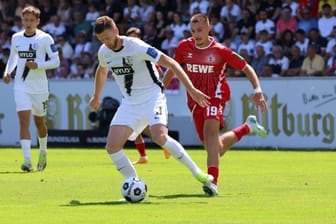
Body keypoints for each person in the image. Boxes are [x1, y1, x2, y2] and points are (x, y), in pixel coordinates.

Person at [89, 16, 213, 192]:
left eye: (108, 38)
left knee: (159, 136)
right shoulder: (104, 52)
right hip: (130, 103)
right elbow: (101, 71)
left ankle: (198, 172)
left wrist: (191, 90)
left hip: (152, 97)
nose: (107, 43)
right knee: (112, 146)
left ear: (116, 31)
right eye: (102, 40)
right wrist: (96, 96)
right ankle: (133, 181)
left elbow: (171, 63)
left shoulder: (137, 46)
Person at [163, 13, 268, 197]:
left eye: (200, 30)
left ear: (209, 28)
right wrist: (159, 89)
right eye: (193, 31)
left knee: (211, 135)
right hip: (194, 101)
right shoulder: (183, 47)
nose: (196, 34)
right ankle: (247, 127)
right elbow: (173, 68)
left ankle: (212, 183)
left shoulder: (221, 51)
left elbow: (246, 68)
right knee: (215, 148)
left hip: (215, 98)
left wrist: (257, 90)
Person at [2, 5, 60, 172]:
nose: (28, 23)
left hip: (40, 88)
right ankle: (27, 160)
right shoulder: (16, 38)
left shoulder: (45, 39)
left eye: (31, 20)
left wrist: (38, 65)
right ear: (22, 20)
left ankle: (43, 151)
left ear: (37, 21)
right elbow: (13, 57)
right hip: (21, 86)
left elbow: (56, 61)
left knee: (40, 123)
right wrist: (8, 72)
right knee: (24, 122)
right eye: (25, 20)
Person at [125, 26, 171, 164]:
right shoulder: (124, 55)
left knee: (145, 126)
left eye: (136, 37)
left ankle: (164, 143)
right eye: (130, 37)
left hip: (147, 95)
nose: (133, 40)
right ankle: (144, 156)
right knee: (135, 127)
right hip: (132, 94)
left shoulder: (145, 53)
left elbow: (161, 73)